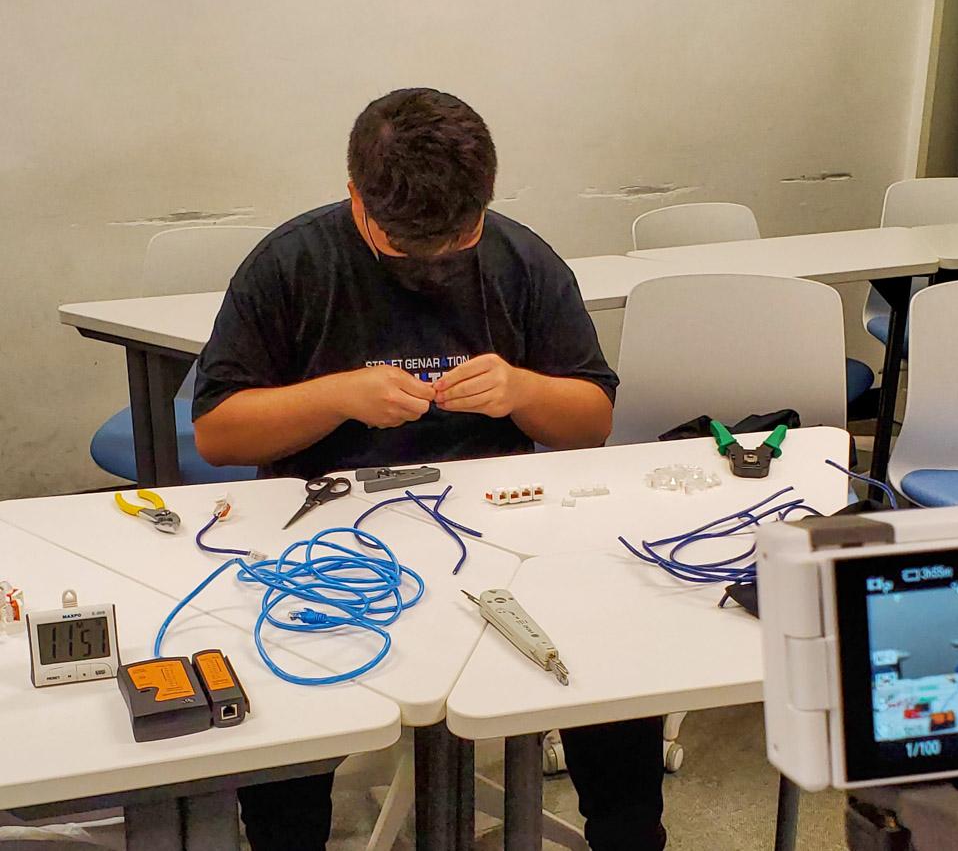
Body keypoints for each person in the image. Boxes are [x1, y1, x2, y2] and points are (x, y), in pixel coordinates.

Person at [193, 88, 667, 851]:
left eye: (455, 243)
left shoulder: (522, 262)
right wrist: (337, 398)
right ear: (356, 197)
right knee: (278, 704)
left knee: (615, 662)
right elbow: (218, 433)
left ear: (486, 199)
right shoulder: (291, 265)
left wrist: (522, 391)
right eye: (405, 249)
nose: (433, 266)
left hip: (502, 531)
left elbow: (592, 421)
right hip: (328, 536)